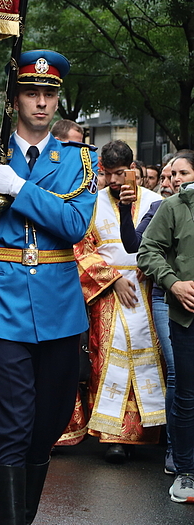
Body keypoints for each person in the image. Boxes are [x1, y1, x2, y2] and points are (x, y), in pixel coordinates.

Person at [0, 51, 97, 524]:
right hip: (3, 307)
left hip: (59, 308)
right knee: (11, 424)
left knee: (50, 423)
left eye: (49, 94)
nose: (41, 102)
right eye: (31, 93)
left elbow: (74, 225)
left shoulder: (80, 160)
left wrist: (19, 188)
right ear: (14, 99)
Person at [73, 140, 165, 462]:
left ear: (133, 168)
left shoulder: (156, 201)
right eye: (107, 174)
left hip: (148, 291)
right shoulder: (91, 203)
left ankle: (150, 429)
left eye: (120, 174)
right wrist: (112, 280)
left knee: (150, 361)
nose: (113, 181)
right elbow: (80, 248)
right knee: (109, 362)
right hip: (109, 293)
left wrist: (151, 268)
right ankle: (112, 436)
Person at [138, 150, 194, 504]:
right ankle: (186, 470)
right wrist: (174, 283)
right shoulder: (175, 206)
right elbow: (146, 252)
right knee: (186, 393)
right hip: (185, 315)